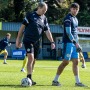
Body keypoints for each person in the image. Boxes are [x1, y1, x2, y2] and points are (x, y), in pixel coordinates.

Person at [16, 2, 55, 85]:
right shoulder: (30, 15)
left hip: (37, 42)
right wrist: (18, 40)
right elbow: (21, 28)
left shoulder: (44, 18)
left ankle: (30, 78)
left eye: (46, 10)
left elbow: (47, 31)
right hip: (28, 40)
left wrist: (52, 42)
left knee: (34, 60)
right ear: (39, 7)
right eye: (43, 10)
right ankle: (28, 79)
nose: (45, 12)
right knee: (30, 58)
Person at [52, 3, 86, 87]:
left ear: (78, 11)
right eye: (73, 9)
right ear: (70, 9)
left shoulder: (76, 19)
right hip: (68, 43)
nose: (75, 10)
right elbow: (68, 33)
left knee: (76, 62)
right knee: (65, 62)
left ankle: (78, 82)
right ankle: (55, 80)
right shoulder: (68, 18)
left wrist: (77, 43)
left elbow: (75, 33)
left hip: (74, 43)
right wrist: (75, 43)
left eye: (76, 9)